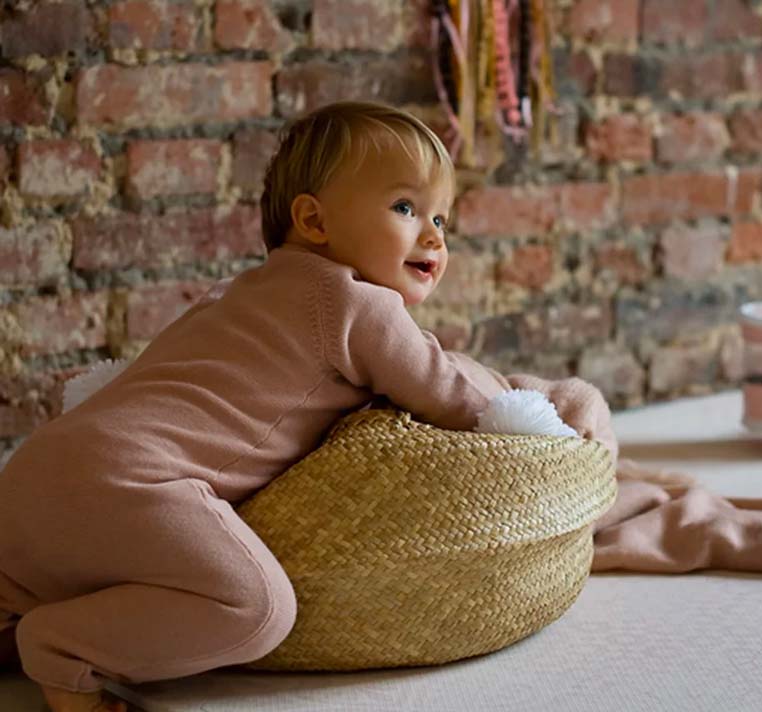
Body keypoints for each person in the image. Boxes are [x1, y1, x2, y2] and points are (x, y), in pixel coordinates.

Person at [0, 101, 615, 712]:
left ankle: (23, 613)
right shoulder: (358, 305)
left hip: (40, 467)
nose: (433, 236)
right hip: (133, 479)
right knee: (259, 609)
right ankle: (60, 648)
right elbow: (451, 395)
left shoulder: (235, 294)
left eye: (442, 219)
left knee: (33, 572)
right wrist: (544, 421)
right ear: (315, 222)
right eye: (405, 208)